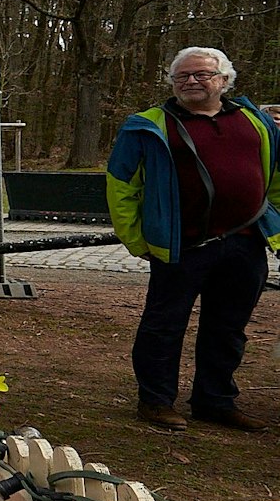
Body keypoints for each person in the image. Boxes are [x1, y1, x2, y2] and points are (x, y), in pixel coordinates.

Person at [107, 46, 280, 431]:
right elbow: (121, 185)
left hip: (245, 243)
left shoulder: (256, 121)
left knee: (228, 328)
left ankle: (215, 401)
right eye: (182, 76)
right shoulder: (146, 125)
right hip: (180, 245)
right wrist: (137, 240)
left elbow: (276, 178)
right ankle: (155, 401)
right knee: (163, 327)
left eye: (201, 74)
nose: (190, 81)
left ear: (224, 80)